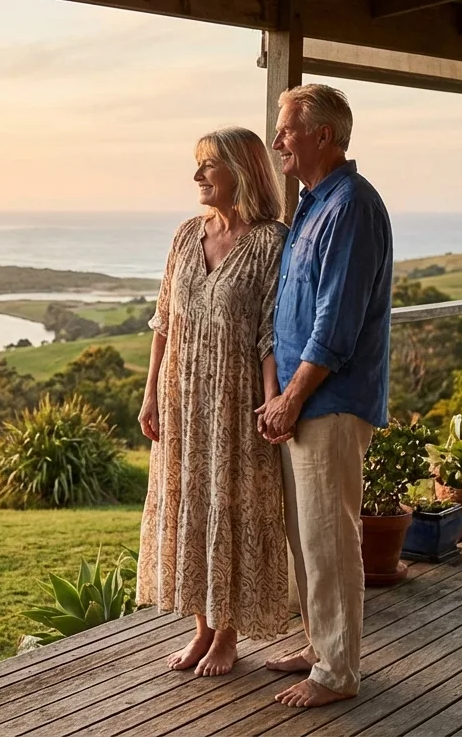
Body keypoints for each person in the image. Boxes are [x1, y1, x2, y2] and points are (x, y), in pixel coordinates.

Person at [257, 84, 393, 708]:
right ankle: (319, 645)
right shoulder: (313, 204)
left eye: (287, 129)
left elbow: (335, 324)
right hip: (304, 398)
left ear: (324, 136)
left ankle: (338, 672)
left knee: (330, 538)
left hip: (330, 401)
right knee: (305, 535)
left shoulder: (352, 207)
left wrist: (290, 399)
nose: (278, 139)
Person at [137, 126, 291, 677]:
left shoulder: (272, 242)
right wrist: (151, 391)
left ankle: (229, 633)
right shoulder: (185, 235)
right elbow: (164, 322)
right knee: (191, 505)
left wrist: (274, 399)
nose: (198, 176)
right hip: (182, 399)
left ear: (241, 171)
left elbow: (273, 332)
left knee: (234, 507)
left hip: (235, 401)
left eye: (208, 165)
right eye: (197, 165)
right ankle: (201, 628)